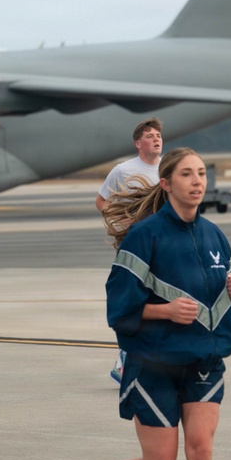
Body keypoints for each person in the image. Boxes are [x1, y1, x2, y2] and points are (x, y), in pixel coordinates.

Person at [66, 148, 231, 460]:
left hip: (203, 361)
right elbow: (119, 307)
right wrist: (164, 312)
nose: (197, 181)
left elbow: (220, 295)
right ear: (166, 183)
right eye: (187, 174)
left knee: (201, 452)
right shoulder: (144, 236)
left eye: (202, 173)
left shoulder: (216, 235)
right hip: (153, 363)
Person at [96, 117, 164, 384]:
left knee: (159, 300)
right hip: (133, 244)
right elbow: (101, 200)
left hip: (162, 244)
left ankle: (142, 358)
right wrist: (120, 220)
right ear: (138, 143)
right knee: (133, 300)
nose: (156, 138)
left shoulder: (169, 168)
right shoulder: (123, 171)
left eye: (158, 135)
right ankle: (125, 359)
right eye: (149, 135)